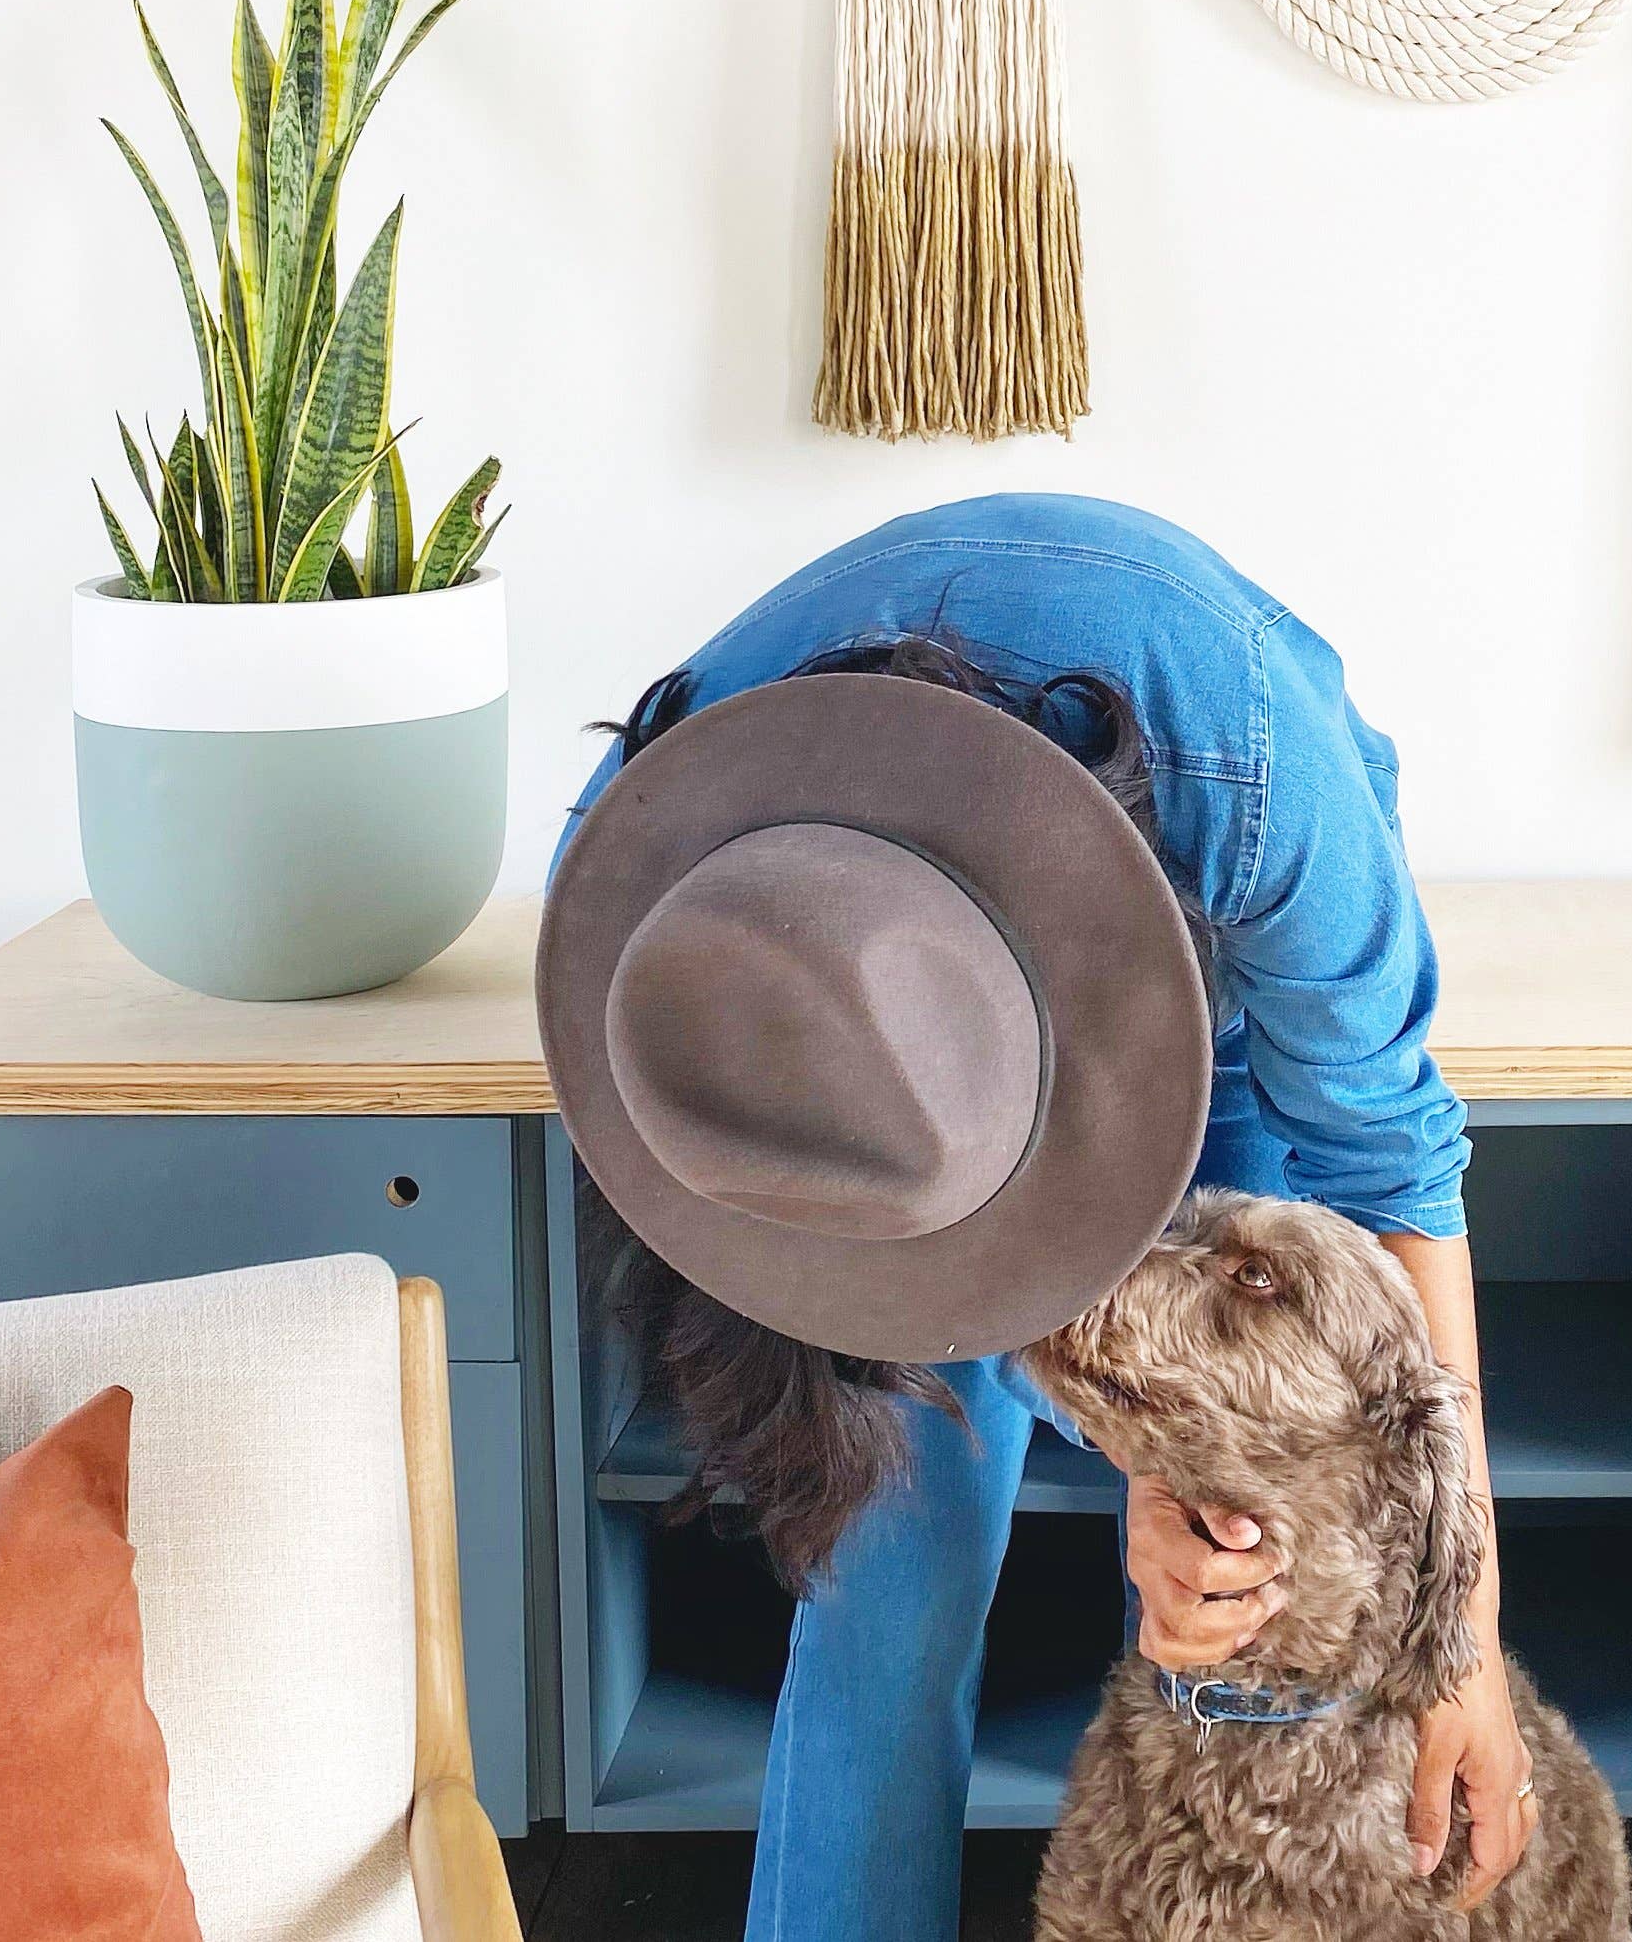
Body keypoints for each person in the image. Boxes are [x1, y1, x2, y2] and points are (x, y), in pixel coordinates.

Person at [538, 492, 1532, 1942]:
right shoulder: (655, 927)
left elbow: (1391, 1184)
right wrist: (1129, 1431)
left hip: (1210, 953)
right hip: (885, 1098)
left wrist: (1465, 1650)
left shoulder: (1254, 778)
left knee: (1247, 1544)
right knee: (888, 1580)